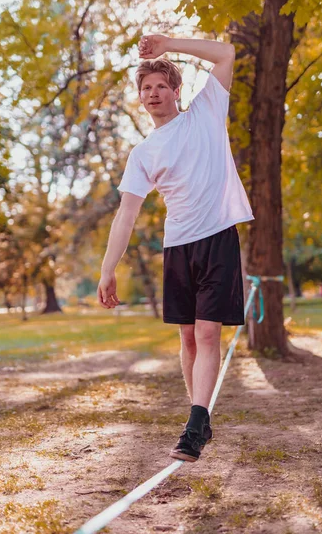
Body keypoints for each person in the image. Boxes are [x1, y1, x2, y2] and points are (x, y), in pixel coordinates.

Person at [97, 34, 255, 462]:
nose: (153, 93)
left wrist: (168, 44)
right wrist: (108, 268)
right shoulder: (143, 152)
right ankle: (199, 418)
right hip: (178, 247)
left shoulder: (205, 110)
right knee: (188, 340)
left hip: (217, 237)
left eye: (161, 86)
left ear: (175, 90)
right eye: (146, 88)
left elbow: (225, 54)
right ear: (140, 98)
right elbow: (125, 215)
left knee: (207, 333)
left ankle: (194, 424)